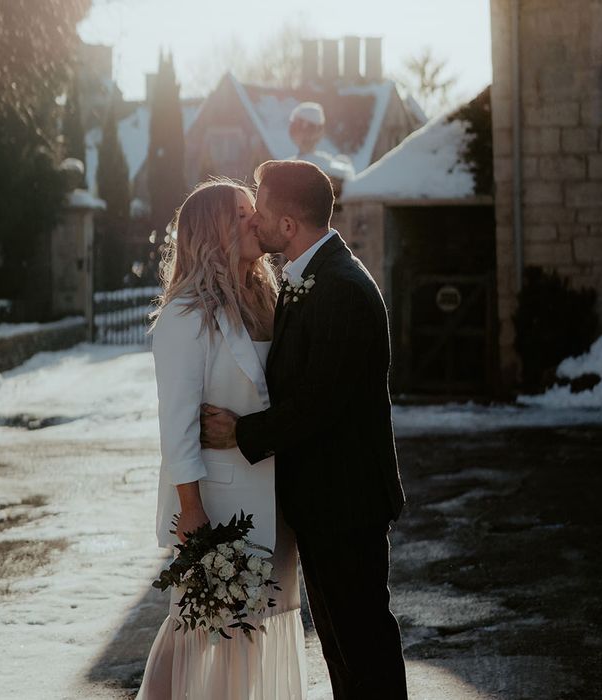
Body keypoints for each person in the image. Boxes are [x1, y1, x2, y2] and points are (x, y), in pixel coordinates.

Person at [201, 160, 407, 699]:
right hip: (325, 501)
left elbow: (318, 403)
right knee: (341, 647)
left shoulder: (339, 288)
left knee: (363, 646)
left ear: (288, 226)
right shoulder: (310, 278)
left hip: (348, 501)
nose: (256, 223)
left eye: (262, 212)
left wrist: (242, 434)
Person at [137, 179, 307, 700]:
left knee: (253, 634)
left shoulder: (269, 299)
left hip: (274, 499)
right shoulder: (185, 315)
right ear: (211, 229)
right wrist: (190, 509)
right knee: (204, 629)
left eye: (252, 210)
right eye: (239, 214)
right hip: (217, 505)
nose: (254, 220)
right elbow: (178, 425)